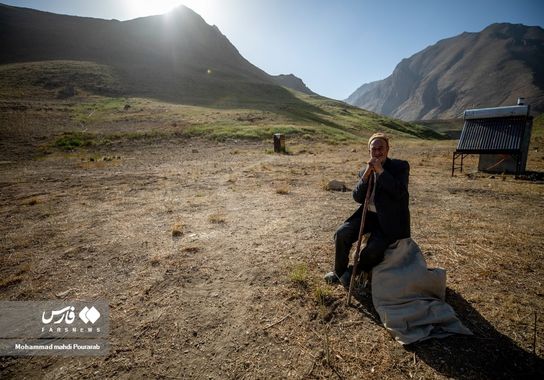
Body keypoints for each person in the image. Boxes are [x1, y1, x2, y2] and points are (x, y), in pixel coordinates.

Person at [324, 132, 411, 286]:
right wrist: (365, 176)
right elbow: (357, 197)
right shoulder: (365, 170)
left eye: (380, 148)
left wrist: (381, 172)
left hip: (390, 219)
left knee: (373, 250)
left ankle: (353, 271)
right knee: (342, 233)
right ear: (369, 151)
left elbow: (399, 193)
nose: (377, 152)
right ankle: (338, 272)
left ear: (387, 149)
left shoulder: (400, 167)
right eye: (374, 149)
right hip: (369, 215)